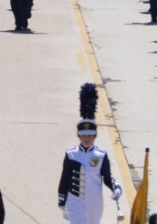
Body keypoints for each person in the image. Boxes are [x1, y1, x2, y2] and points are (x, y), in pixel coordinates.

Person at [58, 83, 122, 223]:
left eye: (90, 135)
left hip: (95, 203)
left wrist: (115, 187)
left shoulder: (101, 155)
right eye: (83, 135)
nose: (87, 138)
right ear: (79, 136)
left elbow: (107, 176)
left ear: (94, 136)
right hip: (75, 201)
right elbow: (65, 177)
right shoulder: (71, 154)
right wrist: (62, 198)